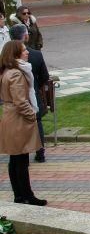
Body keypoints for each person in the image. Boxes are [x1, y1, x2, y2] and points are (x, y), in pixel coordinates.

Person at [0, 40, 45, 206]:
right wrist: (32, 115)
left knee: (15, 159)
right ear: (16, 54)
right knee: (21, 160)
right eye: (24, 50)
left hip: (9, 116)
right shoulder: (17, 73)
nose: (27, 52)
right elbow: (20, 101)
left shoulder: (7, 71)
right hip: (18, 119)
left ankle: (19, 195)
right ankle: (27, 195)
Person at [9, 24, 49, 163]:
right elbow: (45, 77)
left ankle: (23, 152)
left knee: (21, 125)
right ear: (25, 35)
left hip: (14, 99)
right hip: (31, 95)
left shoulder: (6, 56)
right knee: (37, 123)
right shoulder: (36, 55)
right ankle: (40, 152)